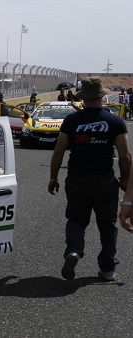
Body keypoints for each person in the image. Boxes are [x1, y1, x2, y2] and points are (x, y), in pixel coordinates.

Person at [48, 77, 131, 282]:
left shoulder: (71, 120)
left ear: (83, 98)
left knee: (76, 220)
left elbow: (58, 152)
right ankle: (108, 268)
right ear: (102, 96)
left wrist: (53, 177)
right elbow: (125, 156)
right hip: (104, 180)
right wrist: (125, 180)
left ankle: (74, 251)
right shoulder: (115, 121)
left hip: (76, 179)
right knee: (108, 224)